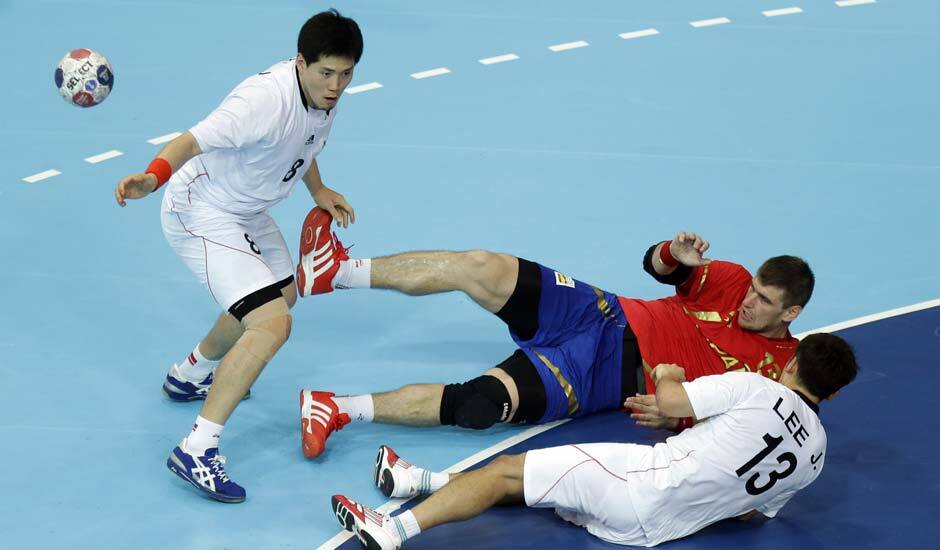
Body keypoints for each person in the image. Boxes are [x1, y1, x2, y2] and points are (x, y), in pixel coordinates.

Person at [113, 9, 361, 502]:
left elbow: (304, 145)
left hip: (247, 210)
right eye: (326, 73)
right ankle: (197, 450)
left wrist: (318, 188)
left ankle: (191, 374)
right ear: (300, 62)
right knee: (270, 323)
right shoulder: (263, 100)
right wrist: (152, 177)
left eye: (346, 73)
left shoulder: (323, 97)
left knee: (283, 297)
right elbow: (190, 140)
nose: (336, 85)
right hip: (201, 210)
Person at [297, 226, 816, 458]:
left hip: (600, 377)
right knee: (480, 265)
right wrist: (671, 253)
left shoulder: (782, 372)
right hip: (603, 311)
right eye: (752, 292)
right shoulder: (732, 279)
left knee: (477, 405)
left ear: (790, 314)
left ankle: (335, 408)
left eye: (764, 303)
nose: (748, 303)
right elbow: (657, 268)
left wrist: (676, 415)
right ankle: (338, 270)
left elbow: (740, 428)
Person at [331, 333, 859, 548]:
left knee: (506, 471)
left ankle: (394, 530)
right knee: (546, 482)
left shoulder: (754, 387)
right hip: (652, 531)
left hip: (638, 481)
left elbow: (672, 402)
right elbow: (749, 512)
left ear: (790, 363)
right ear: (831, 396)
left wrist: (672, 374)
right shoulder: (815, 457)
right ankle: (418, 481)